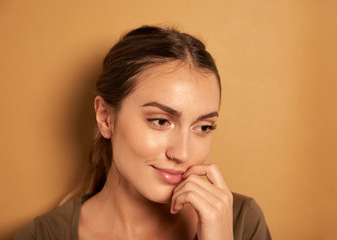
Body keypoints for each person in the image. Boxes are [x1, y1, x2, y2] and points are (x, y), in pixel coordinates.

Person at [15, 25, 271, 240]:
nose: (183, 153)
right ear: (106, 118)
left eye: (203, 127)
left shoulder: (241, 222)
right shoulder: (43, 235)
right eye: (160, 121)